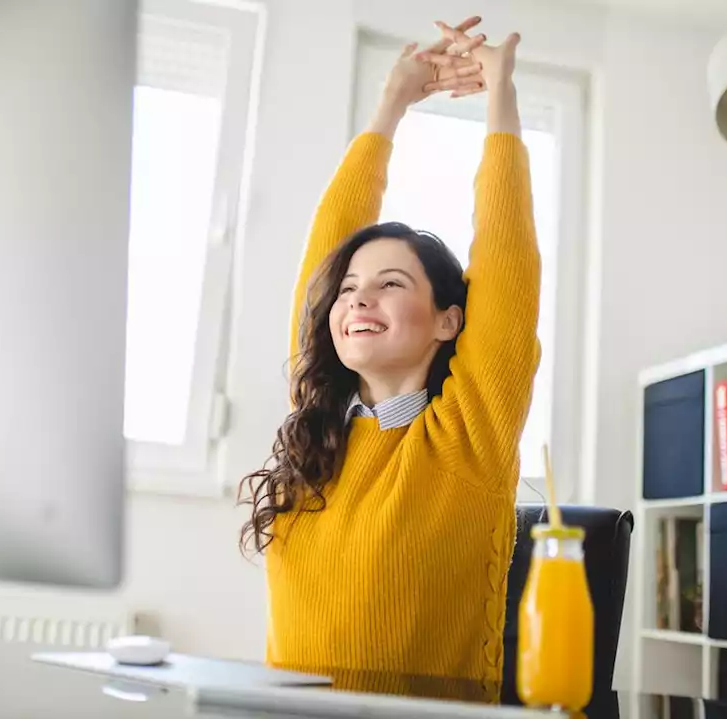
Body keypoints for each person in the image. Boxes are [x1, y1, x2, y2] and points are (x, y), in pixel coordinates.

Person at [238, 16, 541, 696]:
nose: (356, 301)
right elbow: (327, 256)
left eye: (390, 284)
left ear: (448, 320)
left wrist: (500, 93)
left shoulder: (469, 434)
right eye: (349, 291)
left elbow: (508, 259)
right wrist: (390, 105)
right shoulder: (317, 427)